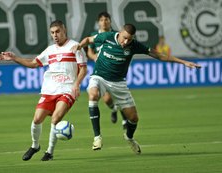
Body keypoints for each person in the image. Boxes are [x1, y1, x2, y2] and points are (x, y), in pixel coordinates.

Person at [71, 24, 201, 152]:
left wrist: (183, 62)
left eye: (129, 39)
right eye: (124, 37)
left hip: (119, 83)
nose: (126, 41)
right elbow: (89, 39)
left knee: (133, 118)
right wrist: (79, 46)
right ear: (120, 32)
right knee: (93, 95)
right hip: (99, 77)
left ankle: (129, 137)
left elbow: (159, 55)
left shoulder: (134, 45)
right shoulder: (107, 36)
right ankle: (97, 137)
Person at [0, 20, 87, 161]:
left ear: (64, 31)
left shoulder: (75, 47)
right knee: (37, 119)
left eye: (57, 31)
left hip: (68, 89)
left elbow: (83, 68)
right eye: (52, 32)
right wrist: (14, 58)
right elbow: (33, 63)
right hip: (50, 89)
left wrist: (76, 84)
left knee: (56, 118)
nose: (55, 35)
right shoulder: (50, 50)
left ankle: (49, 152)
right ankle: (35, 146)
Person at [87, 11, 127, 130]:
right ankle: (114, 109)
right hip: (101, 72)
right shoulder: (95, 35)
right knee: (107, 99)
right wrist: (95, 57)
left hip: (114, 71)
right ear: (98, 22)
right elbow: (89, 52)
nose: (104, 22)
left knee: (118, 97)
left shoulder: (116, 35)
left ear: (110, 21)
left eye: (106, 20)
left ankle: (125, 119)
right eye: (101, 20)